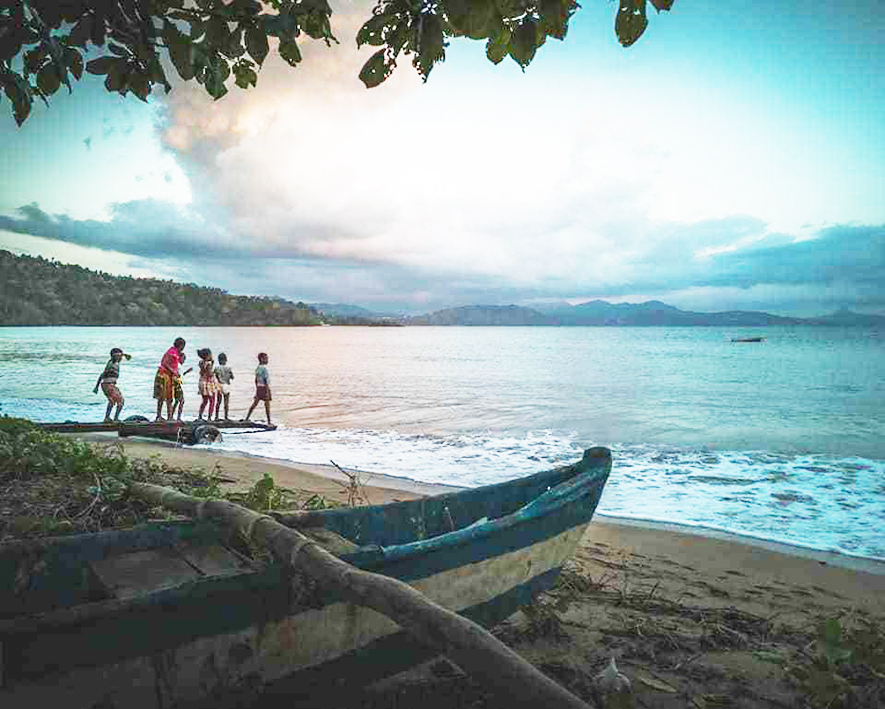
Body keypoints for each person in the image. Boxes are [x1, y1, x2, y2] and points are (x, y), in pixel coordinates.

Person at [93, 347, 131, 422]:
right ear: (116, 356)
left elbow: (129, 358)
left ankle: (107, 418)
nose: (121, 358)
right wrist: (96, 387)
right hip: (108, 385)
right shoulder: (112, 363)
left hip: (107, 385)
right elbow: (102, 374)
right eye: (120, 357)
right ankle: (115, 418)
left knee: (112, 401)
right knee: (121, 401)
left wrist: (123, 354)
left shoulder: (114, 362)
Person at [154, 337, 185, 421]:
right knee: (163, 397)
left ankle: (168, 416)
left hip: (167, 376)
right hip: (164, 375)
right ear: (181, 346)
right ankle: (160, 416)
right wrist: (173, 371)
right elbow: (165, 363)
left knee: (168, 397)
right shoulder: (172, 353)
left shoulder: (173, 352)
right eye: (182, 347)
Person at [245, 352, 272, 424]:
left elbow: (256, 380)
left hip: (259, 388)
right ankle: (269, 422)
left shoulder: (257, 368)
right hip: (264, 388)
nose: (267, 360)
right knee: (267, 406)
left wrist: (257, 389)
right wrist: (267, 391)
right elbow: (265, 380)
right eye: (266, 358)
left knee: (254, 404)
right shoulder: (264, 369)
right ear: (262, 359)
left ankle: (247, 418)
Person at [197, 348, 219, 420]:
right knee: (212, 401)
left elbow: (203, 372)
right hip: (208, 384)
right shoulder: (208, 364)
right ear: (207, 356)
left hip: (202, 382)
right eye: (210, 355)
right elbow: (209, 374)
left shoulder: (201, 363)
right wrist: (215, 371)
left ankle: (200, 415)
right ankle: (209, 417)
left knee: (205, 401)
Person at [172, 352, 194, 422]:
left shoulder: (178, 366)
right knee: (181, 401)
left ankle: (171, 415)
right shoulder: (178, 365)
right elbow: (176, 375)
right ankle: (178, 417)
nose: (184, 361)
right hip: (177, 384)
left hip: (177, 384)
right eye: (183, 359)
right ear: (179, 358)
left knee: (177, 401)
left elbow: (180, 375)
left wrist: (186, 372)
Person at [213, 352, 234, 421]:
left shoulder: (216, 368)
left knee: (218, 402)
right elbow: (232, 377)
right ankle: (226, 417)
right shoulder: (229, 368)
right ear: (226, 360)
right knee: (226, 402)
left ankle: (216, 416)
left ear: (219, 360)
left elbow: (215, 376)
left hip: (219, 385)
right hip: (226, 385)